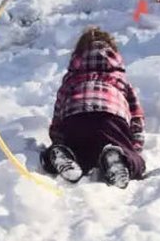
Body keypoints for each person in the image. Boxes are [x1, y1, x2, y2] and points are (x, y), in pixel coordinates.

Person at [41, 26, 146, 189]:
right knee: (134, 161)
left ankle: (60, 154)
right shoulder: (120, 79)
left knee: (80, 156)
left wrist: (58, 140)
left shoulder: (71, 79)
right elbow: (136, 118)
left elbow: (58, 116)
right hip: (111, 119)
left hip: (75, 119)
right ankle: (118, 158)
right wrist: (133, 148)